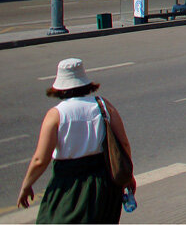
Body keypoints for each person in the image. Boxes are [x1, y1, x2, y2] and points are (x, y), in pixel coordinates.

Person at [17, 58, 134, 222]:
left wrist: (26, 185)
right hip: (103, 185)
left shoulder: (56, 114)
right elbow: (123, 144)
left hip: (67, 185)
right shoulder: (103, 106)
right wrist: (128, 176)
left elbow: (40, 159)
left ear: (60, 88)